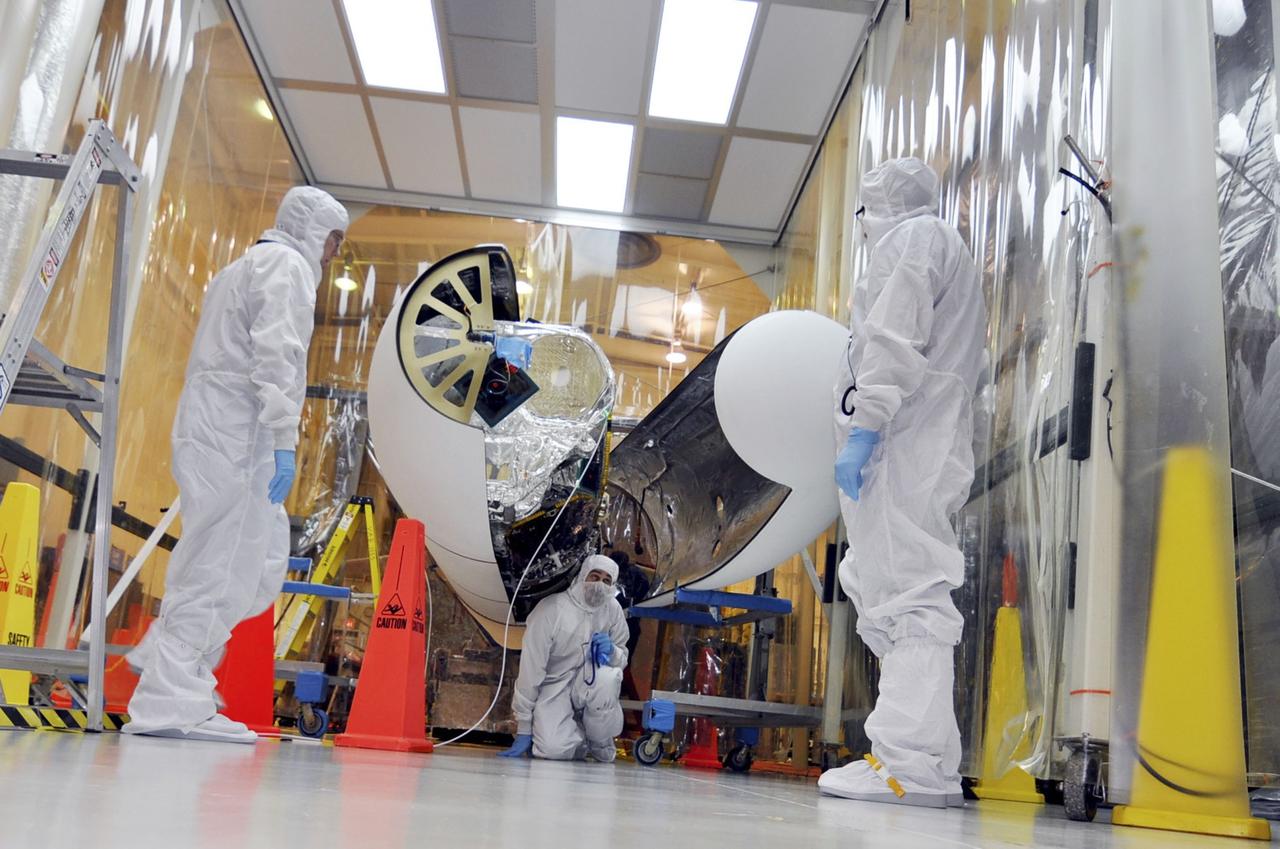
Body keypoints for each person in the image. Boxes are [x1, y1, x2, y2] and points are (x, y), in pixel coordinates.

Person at [125, 186, 349, 743]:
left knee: (244, 557)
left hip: (217, 429)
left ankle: (174, 663)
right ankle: (170, 699)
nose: (334, 254)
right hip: (239, 432)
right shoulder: (286, 265)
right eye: (334, 239)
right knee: (223, 561)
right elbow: (279, 355)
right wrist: (282, 439)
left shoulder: (242, 267)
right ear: (311, 229)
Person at [818, 157, 987, 807]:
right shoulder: (935, 242)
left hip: (904, 444)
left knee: (909, 595)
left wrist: (865, 426)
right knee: (895, 592)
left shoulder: (914, 240)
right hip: (911, 443)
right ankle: (920, 761)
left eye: (864, 210)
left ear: (877, 207)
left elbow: (890, 340)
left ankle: (908, 766)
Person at [499, 554, 631, 761]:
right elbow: (531, 671)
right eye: (594, 576)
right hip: (554, 687)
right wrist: (524, 725)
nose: (599, 585)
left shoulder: (612, 610)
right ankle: (577, 737)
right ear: (581, 576)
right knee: (553, 750)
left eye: (607, 581)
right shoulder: (551, 609)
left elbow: (622, 659)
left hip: (590, 683)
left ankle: (599, 740)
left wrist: (613, 651)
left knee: (608, 678)